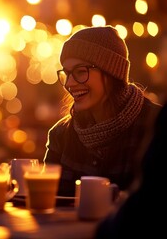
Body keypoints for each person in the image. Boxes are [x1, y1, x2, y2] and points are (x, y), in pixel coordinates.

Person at [43, 26, 161, 197]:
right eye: (66, 73)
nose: (69, 83)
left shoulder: (154, 126)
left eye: (80, 71)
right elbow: (47, 202)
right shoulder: (60, 135)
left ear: (111, 72)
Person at [94, 101, 166, 238]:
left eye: (80, 77)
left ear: (113, 77)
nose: (69, 84)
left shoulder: (150, 118)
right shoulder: (60, 133)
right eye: (66, 78)